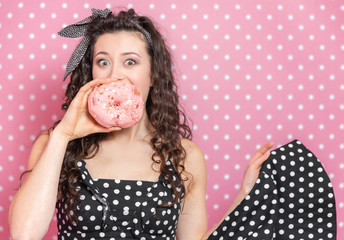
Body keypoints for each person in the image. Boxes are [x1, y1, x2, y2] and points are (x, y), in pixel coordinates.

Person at [8, 8, 273, 240]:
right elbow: (24, 233)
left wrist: (246, 195)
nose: (115, 75)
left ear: (154, 74)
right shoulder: (55, 144)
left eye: (130, 61)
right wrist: (64, 133)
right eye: (103, 62)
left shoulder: (185, 156)